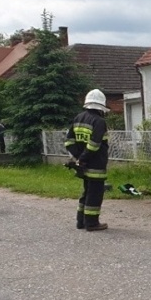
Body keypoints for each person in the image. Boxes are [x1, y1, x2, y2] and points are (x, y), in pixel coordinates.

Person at [65, 89, 110, 231]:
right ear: (101, 107)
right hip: (96, 164)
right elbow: (94, 144)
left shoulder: (78, 118)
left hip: (83, 165)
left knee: (86, 192)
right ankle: (91, 223)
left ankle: (81, 221)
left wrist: (78, 158)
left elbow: (69, 141)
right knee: (95, 195)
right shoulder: (99, 121)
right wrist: (83, 158)